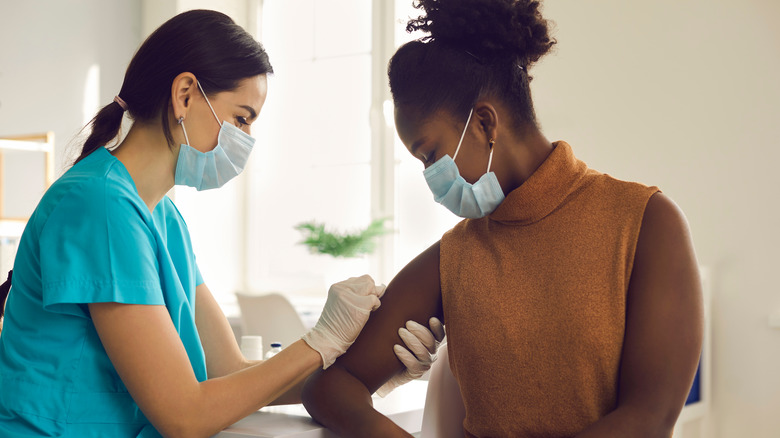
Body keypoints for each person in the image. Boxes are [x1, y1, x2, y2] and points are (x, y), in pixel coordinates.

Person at [0, 10, 440, 438]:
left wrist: (372, 374)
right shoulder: (99, 205)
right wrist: (319, 340)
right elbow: (184, 416)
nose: (246, 140)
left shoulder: (162, 217)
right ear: (186, 94)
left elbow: (227, 372)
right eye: (241, 118)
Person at [301, 1, 704, 437]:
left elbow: (649, 419)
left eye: (431, 155)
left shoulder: (645, 224)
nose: (431, 178)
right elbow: (330, 386)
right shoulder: (456, 255)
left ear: (484, 122)